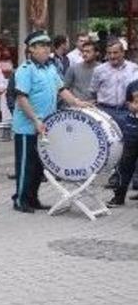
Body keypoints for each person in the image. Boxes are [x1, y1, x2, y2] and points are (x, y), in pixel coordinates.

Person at [11, 31, 90, 213]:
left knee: (39, 166)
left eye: (48, 45)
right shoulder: (25, 70)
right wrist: (35, 120)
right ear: (31, 49)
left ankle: (33, 198)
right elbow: (22, 99)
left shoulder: (50, 68)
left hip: (46, 126)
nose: (47, 49)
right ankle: (20, 200)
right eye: (42, 46)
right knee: (25, 164)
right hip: (27, 126)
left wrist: (77, 103)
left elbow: (61, 90)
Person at [107, 80, 138, 208]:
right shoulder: (133, 85)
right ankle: (119, 197)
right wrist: (131, 106)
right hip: (133, 131)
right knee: (125, 166)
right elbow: (127, 103)